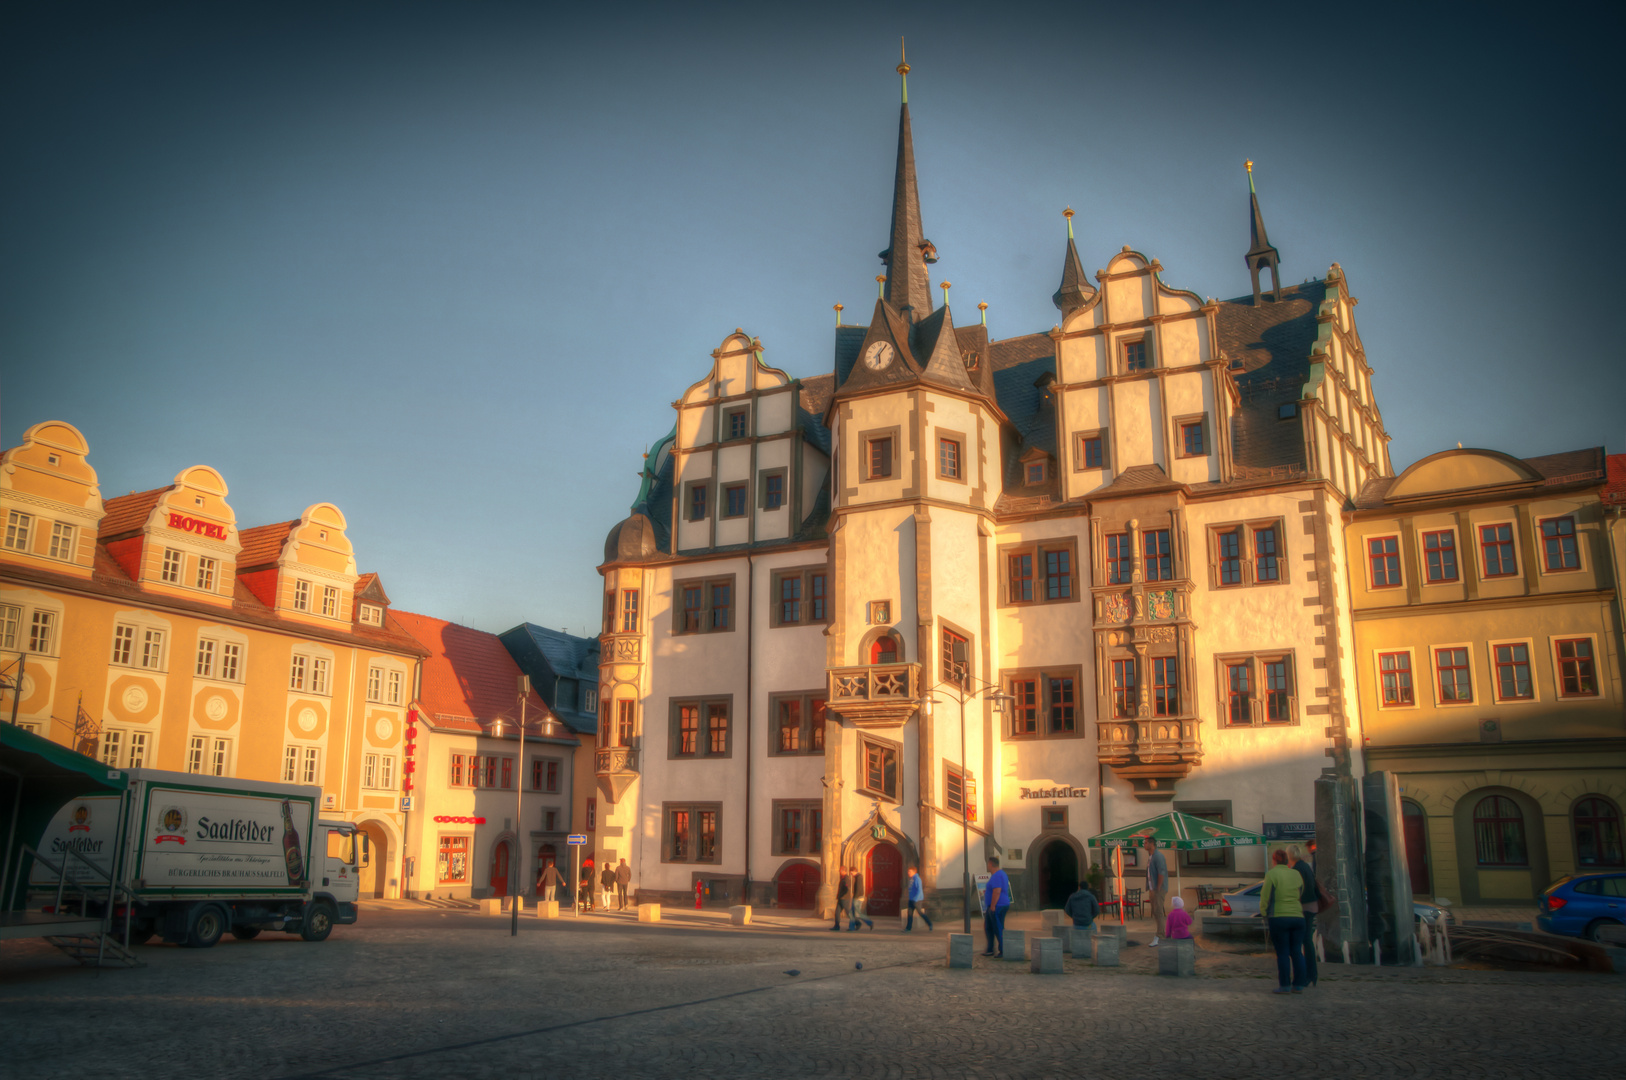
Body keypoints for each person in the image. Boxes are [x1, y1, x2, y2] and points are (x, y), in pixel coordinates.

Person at [1260, 848, 1308, 994]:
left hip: (1279, 917)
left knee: (1282, 952)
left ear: (1274, 860)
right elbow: (1302, 892)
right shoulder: (1296, 874)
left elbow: (1265, 896)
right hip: (1298, 917)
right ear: (1287, 860)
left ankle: (1285, 985)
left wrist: (1263, 913)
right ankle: (1299, 984)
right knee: (1297, 951)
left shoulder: (1272, 874)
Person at [1288, 844, 1319, 988]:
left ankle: (1308, 975)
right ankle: (1311, 974)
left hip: (1304, 907)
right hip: (1311, 906)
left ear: (1290, 856)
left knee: (1304, 940)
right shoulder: (1305, 866)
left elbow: (1298, 890)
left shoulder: (1296, 869)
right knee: (1307, 940)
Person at [982, 856, 1012, 957]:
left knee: (998, 928)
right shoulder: (1001, 874)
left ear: (990, 864)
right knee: (988, 927)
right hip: (997, 905)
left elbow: (997, 891)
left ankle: (1003, 950)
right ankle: (990, 949)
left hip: (997, 905)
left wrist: (993, 906)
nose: (987, 866)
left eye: (988, 864)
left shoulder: (997, 876)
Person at [1144, 837, 1168, 947]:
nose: (1144, 845)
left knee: (1158, 911)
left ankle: (1160, 935)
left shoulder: (1158, 856)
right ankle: (1160, 934)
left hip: (1158, 889)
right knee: (1155, 911)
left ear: (1151, 844)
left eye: (1145, 843)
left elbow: (1161, 872)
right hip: (1153, 888)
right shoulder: (1151, 857)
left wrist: (1158, 888)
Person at [904, 866, 933, 932]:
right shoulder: (911, 879)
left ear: (914, 872)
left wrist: (916, 899)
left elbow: (919, 890)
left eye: (910, 871)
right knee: (909, 914)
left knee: (920, 913)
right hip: (911, 899)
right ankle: (908, 928)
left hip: (916, 900)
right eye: (908, 871)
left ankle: (930, 924)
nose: (908, 873)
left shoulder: (917, 879)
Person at [848, 866, 874, 931]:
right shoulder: (857, 877)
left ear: (854, 871)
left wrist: (855, 897)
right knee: (852, 913)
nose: (851, 874)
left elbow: (859, 888)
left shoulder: (859, 877)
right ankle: (852, 927)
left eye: (851, 873)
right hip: (857, 897)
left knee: (857, 914)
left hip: (858, 897)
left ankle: (869, 922)